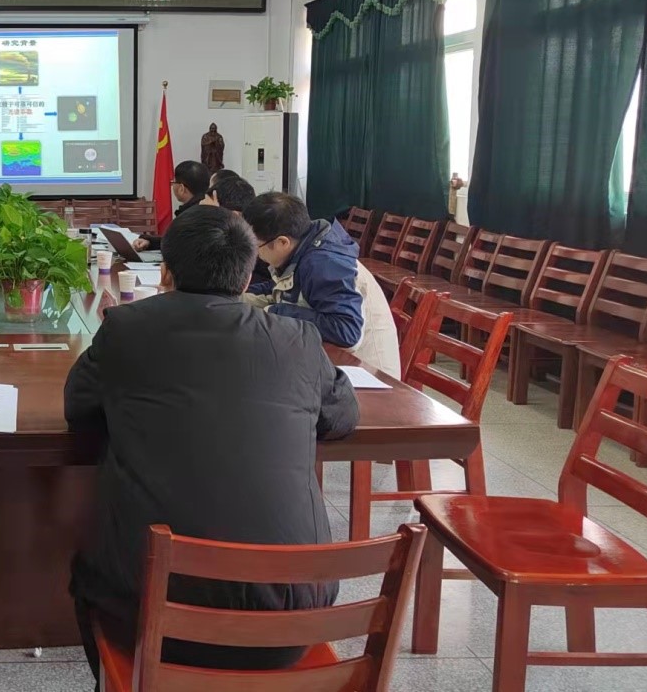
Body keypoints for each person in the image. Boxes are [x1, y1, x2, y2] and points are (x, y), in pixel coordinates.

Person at [64, 206, 359, 681]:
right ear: (247, 276)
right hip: (289, 624)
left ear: (166, 271)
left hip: (150, 623)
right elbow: (343, 415)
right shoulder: (297, 339)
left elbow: (78, 408)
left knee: (88, 566)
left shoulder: (126, 328)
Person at [242, 192, 400, 377]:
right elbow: (279, 289)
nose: (255, 254)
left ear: (283, 242)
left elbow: (347, 333)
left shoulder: (324, 263)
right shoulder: (302, 248)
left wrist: (275, 311)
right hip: (334, 362)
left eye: (256, 246)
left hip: (369, 375)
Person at [201, 175, 272, 285]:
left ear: (233, 216)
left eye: (208, 213)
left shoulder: (263, 245)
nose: (201, 217)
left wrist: (216, 218)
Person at [135, 160, 209, 250]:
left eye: (173, 182)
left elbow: (175, 246)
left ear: (181, 188)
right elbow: (177, 241)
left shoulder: (189, 216)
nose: (172, 186)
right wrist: (149, 242)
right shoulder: (210, 210)